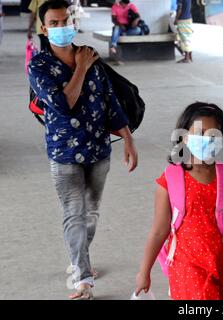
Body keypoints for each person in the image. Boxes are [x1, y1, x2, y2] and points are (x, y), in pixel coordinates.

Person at [27, 0, 138, 300]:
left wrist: (128, 138)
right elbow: (64, 105)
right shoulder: (38, 66)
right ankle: (83, 279)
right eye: (55, 23)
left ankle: (80, 260)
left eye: (66, 21)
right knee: (74, 214)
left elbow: (110, 101)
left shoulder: (90, 55)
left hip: (99, 150)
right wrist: (80, 68)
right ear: (44, 28)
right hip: (63, 154)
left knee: (91, 214)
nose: (62, 27)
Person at [135, 102, 223, 300]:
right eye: (200, 133)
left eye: (213, 135)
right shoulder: (170, 179)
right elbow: (159, 230)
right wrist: (144, 272)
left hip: (222, 262)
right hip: (186, 265)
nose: (206, 139)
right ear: (183, 137)